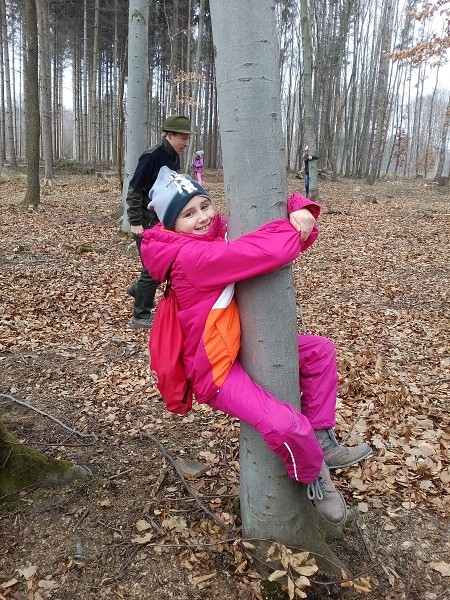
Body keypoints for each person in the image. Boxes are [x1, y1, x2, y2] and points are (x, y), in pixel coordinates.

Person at [140, 166, 372, 525]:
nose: (203, 218)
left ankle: (323, 441)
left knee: (319, 352)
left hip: (238, 343)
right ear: (171, 225)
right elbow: (262, 251)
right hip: (215, 369)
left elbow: (265, 227)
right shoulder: (190, 259)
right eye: (188, 214)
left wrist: (299, 204)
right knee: (286, 425)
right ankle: (315, 478)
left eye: (205, 206)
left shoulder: (213, 235)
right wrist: (299, 222)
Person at [125, 115, 195, 329]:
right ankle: (140, 316)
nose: (186, 143)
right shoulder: (152, 156)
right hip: (145, 221)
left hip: (161, 220)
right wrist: (135, 222)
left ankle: (139, 291)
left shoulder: (174, 156)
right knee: (151, 267)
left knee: (163, 264)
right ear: (169, 135)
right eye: (182, 138)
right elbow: (135, 190)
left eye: (187, 139)